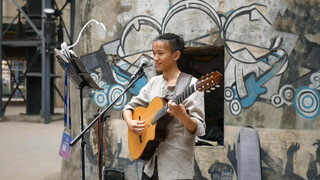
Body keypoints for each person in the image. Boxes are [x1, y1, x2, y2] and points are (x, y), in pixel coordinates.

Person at [122, 33, 205, 180]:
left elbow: (198, 128)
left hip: (175, 169)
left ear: (176, 55)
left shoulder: (193, 85)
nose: (155, 58)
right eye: (154, 53)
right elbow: (129, 106)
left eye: (160, 53)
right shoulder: (153, 82)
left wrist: (182, 116)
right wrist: (130, 122)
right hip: (150, 167)